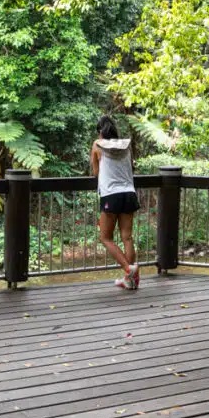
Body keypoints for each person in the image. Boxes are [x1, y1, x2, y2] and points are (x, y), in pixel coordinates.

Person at [91, 115, 140, 290]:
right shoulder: (126, 146)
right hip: (129, 193)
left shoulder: (97, 145)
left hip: (111, 195)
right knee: (127, 237)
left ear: (100, 132)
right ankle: (130, 280)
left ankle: (129, 270)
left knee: (105, 237)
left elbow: (96, 173)